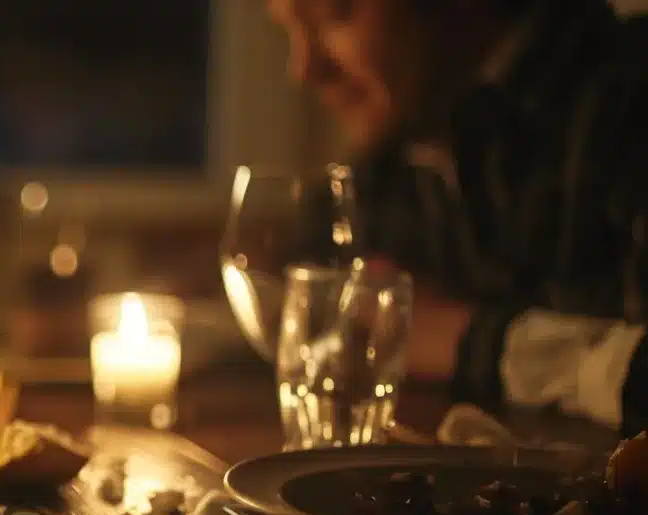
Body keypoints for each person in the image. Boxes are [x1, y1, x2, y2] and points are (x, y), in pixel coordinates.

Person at [265, 0, 648, 435]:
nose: (304, 69)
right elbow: (305, 284)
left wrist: (463, 340)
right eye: (290, 29)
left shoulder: (628, 97)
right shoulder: (407, 139)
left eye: (334, 16)